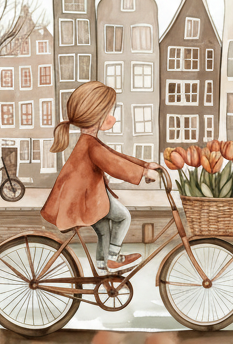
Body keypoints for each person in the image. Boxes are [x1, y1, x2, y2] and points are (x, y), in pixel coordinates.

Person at [41, 81, 159, 271]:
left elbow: (115, 155)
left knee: (104, 231)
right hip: (87, 199)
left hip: (84, 199)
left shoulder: (89, 141)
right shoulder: (90, 144)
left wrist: (144, 165)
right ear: (96, 116)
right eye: (108, 112)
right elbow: (114, 164)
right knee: (123, 217)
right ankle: (113, 259)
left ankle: (103, 271)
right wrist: (143, 173)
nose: (111, 117)